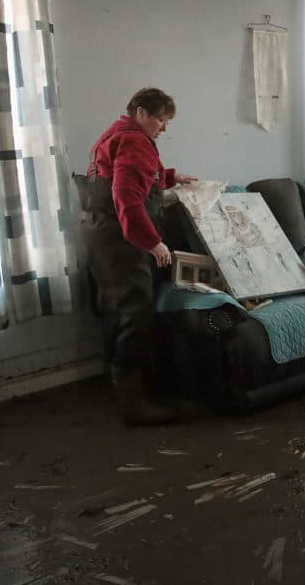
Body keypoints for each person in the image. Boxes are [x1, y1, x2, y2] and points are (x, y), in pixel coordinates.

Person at [77, 87, 196, 425]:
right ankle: (135, 405)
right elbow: (127, 198)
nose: (163, 127)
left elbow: (131, 175)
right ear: (141, 112)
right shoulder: (134, 141)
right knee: (136, 311)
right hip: (119, 238)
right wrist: (153, 242)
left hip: (99, 232)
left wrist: (171, 177)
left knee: (114, 309)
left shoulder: (117, 133)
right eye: (160, 119)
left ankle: (124, 388)